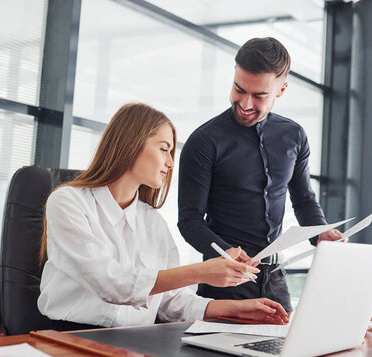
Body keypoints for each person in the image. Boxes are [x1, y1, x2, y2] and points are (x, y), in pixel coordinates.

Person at [37, 103, 289, 331]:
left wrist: (238, 309)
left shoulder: (152, 221)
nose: (170, 163)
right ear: (131, 144)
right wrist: (201, 272)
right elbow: (109, 282)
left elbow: (170, 300)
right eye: (164, 149)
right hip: (71, 335)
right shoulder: (68, 201)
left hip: (135, 341)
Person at [178, 37, 342, 312]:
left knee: (285, 352)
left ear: (281, 89)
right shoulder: (204, 141)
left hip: (276, 279)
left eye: (259, 96)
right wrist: (224, 250)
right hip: (224, 281)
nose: (244, 103)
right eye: (239, 90)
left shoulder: (295, 136)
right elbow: (189, 220)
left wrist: (320, 233)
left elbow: (303, 200)